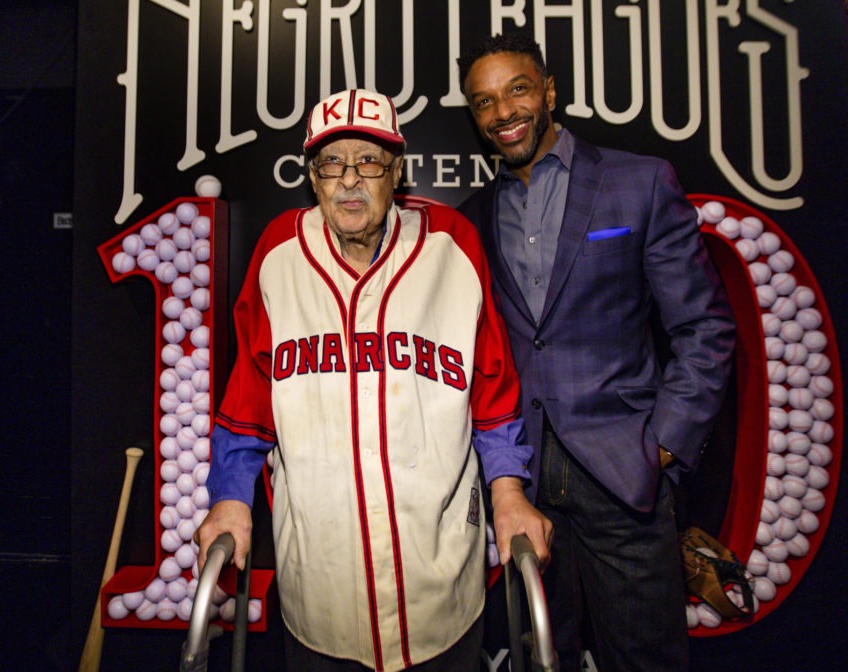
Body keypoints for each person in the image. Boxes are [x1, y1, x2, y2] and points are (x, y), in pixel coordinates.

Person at [196, 87, 552, 672]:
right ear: (313, 176)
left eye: (370, 161)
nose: (351, 180)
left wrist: (508, 488)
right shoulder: (279, 254)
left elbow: (491, 385)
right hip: (320, 581)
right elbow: (250, 395)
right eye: (333, 163)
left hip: (438, 578)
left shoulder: (451, 246)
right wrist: (231, 495)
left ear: (397, 172)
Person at [456, 33, 736, 671]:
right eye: (484, 102)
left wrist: (662, 443)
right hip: (520, 482)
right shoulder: (472, 217)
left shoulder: (638, 182)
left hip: (623, 472)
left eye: (518, 89)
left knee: (642, 659)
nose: (503, 113)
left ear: (549, 91)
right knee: (537, 657)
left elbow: (704, 326)